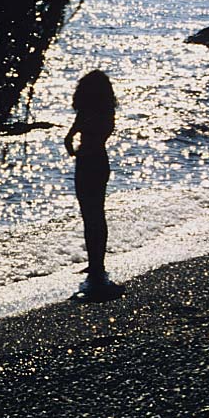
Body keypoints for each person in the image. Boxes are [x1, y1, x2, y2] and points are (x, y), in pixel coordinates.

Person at [64, 69, 124, 300]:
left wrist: (76, 152)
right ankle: (95, 263)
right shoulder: (104, 111)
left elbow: (69, 139)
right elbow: (78, 138)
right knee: (94, 214)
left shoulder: (89, 112)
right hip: (96, 160)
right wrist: (78, 149)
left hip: (89, 163)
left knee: (92, 215)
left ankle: (96, 264)